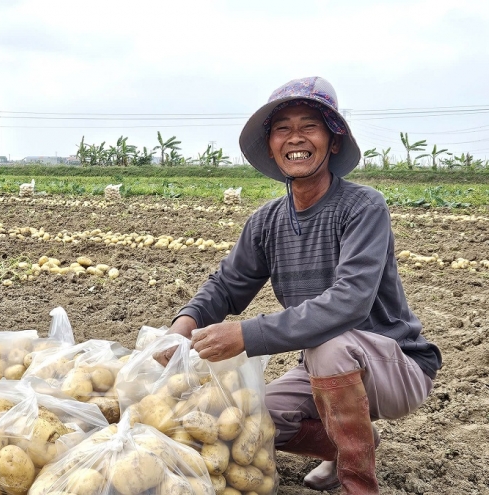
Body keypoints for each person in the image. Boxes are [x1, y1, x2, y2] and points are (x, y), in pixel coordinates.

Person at [158, 77, 442, 494]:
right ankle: (346, 448)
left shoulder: (363, 207)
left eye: (309, 126)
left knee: (329, 347)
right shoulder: (267, 222)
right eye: (282, 128)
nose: (295, 138)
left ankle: (358, 484)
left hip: (396, 365)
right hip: (324, 367)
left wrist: (245, 335)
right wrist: (183, 323)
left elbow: (350, 302)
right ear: (272, 145)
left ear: (334, 142)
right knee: (251, 418)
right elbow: (227, 284)